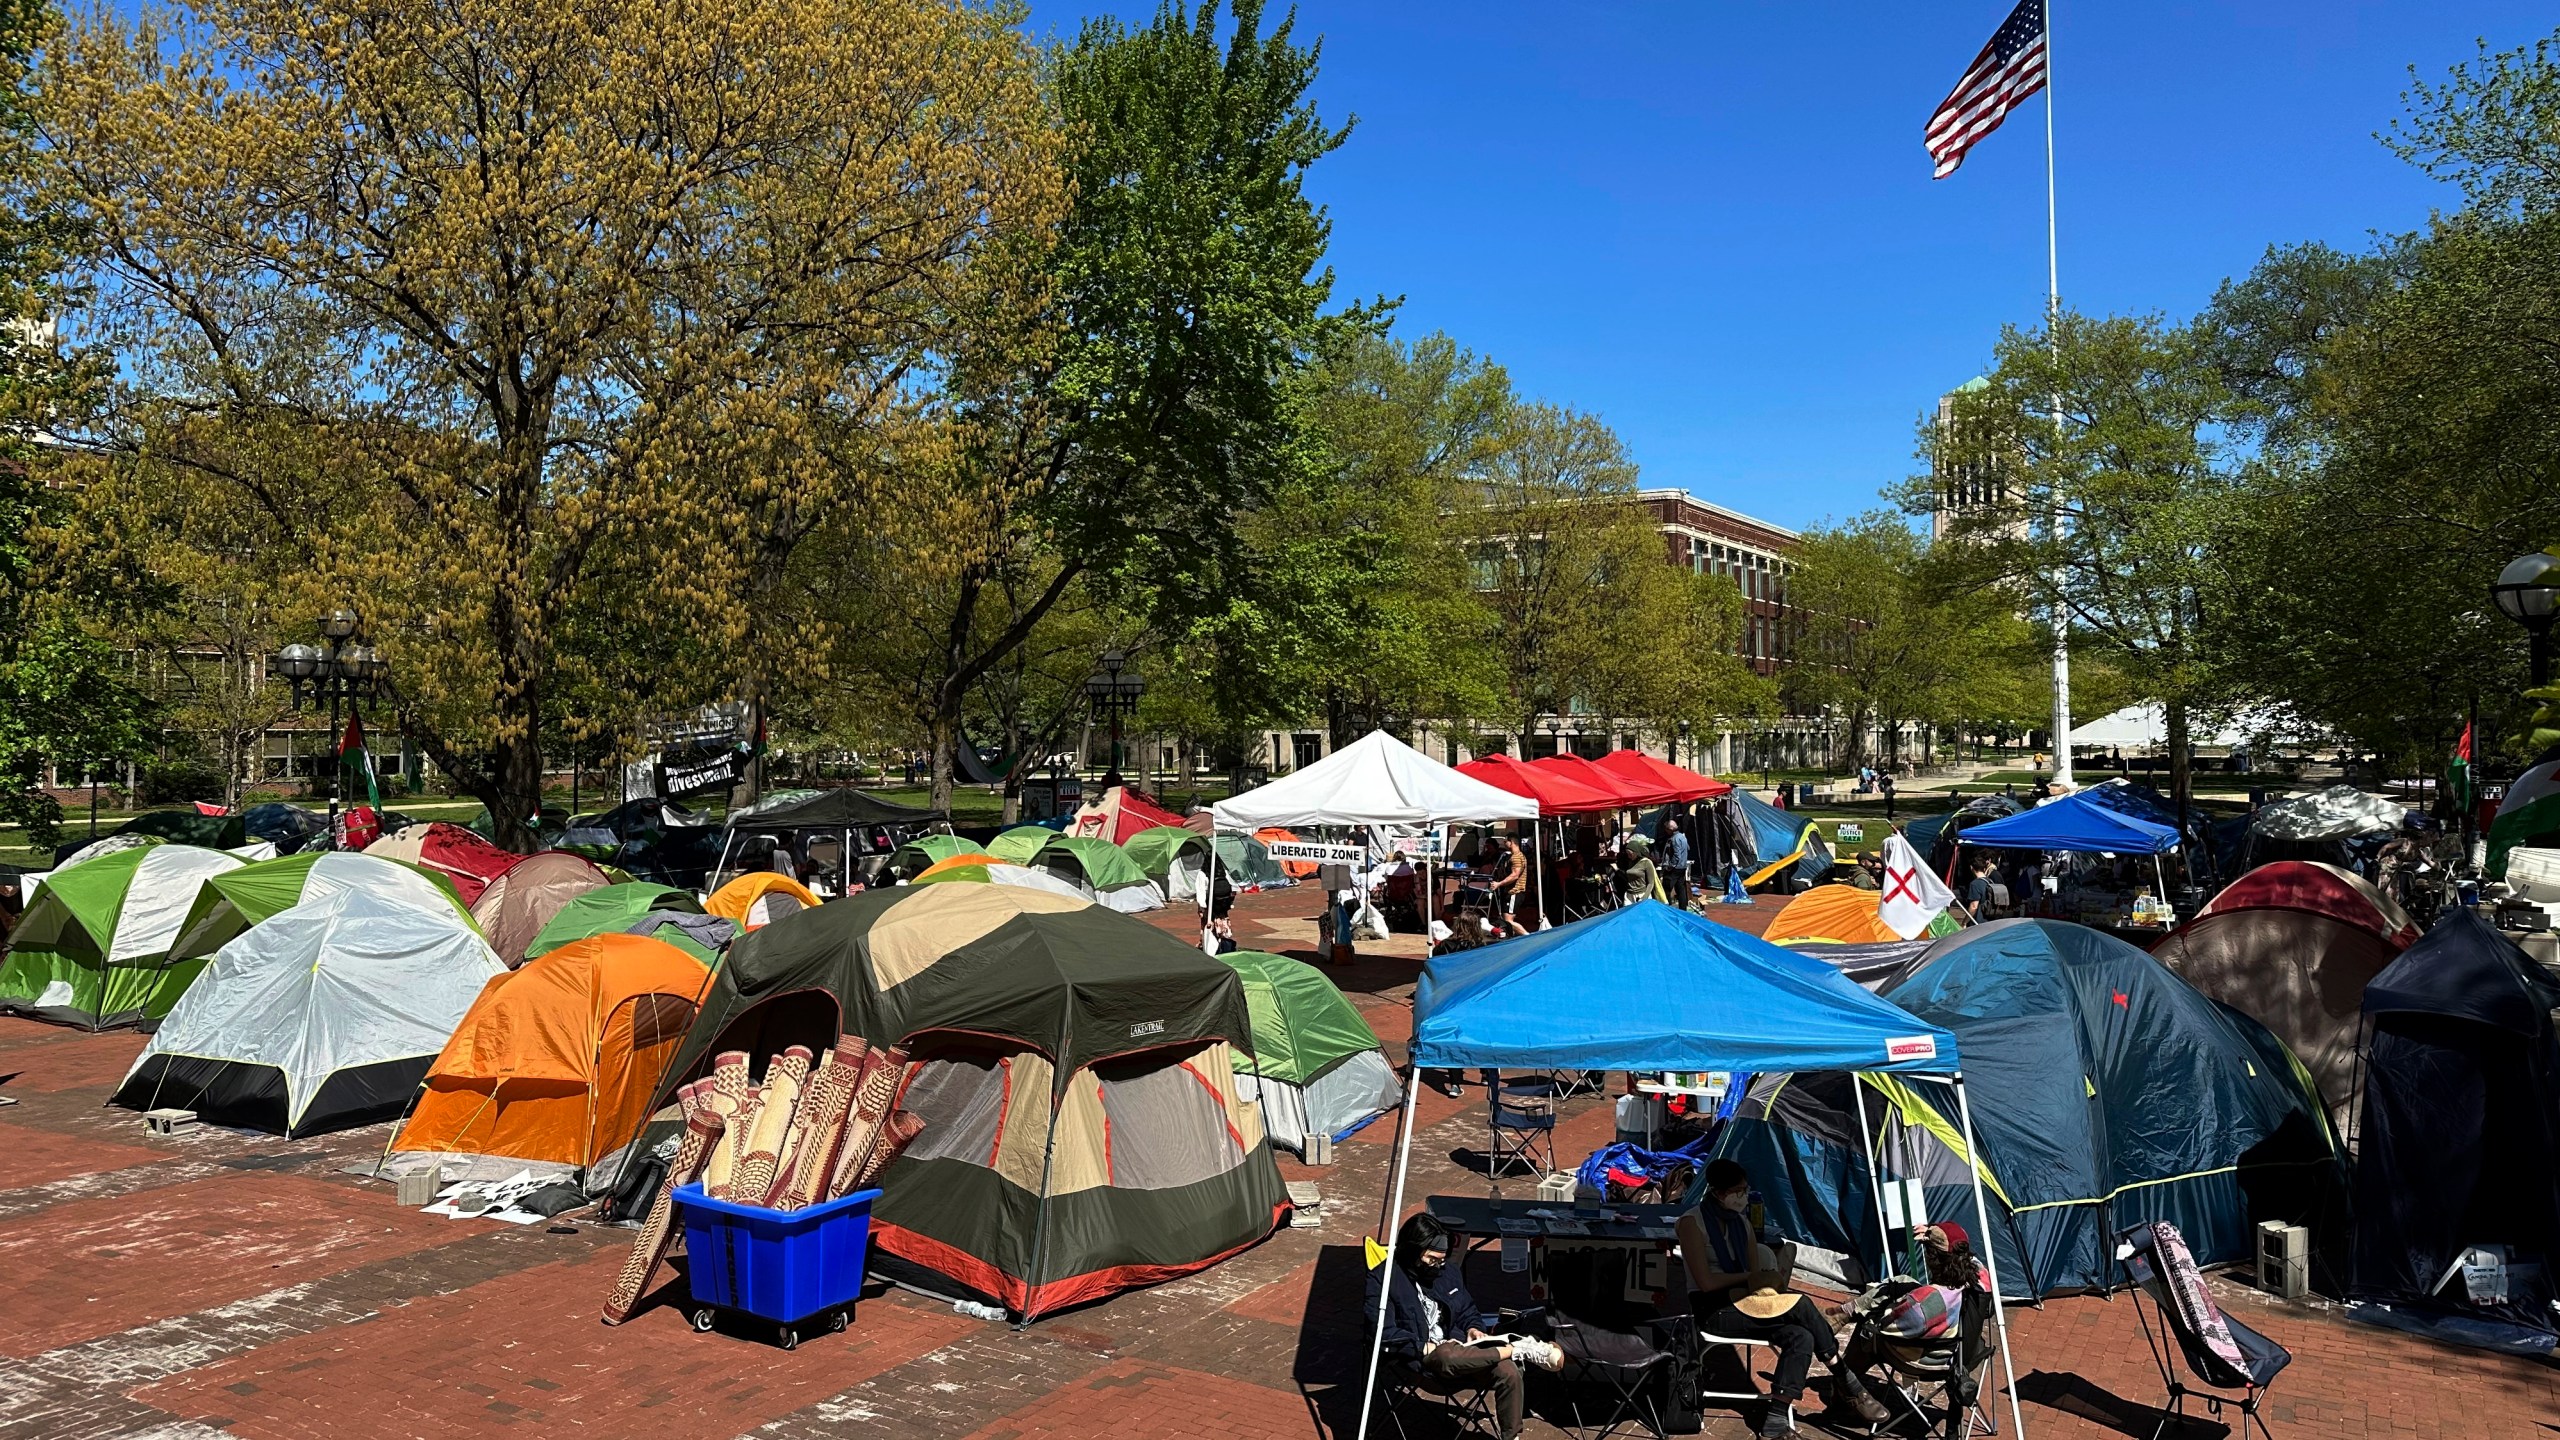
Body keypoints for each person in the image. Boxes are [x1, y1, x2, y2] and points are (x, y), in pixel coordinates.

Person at [1678, 1159, 1890, 1435]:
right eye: (1738, 1191)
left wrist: (1765, 1280)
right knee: (1801, 1304)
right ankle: (1845, 1378)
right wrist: (1751, 1278)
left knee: (1801, 1336)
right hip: (1714, 1309)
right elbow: (1706, 1283)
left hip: (1745, 1300)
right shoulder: (1692, 1223)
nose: (1743, 1196)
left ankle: (1775, 1421)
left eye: (1745, 1189)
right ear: (1719, 1193)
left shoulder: (1741, 1224)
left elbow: (1754, 1273)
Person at [1366, 1213, 1559, 1439]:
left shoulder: (1447, 1272)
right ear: (1413, 1252)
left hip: (1463, 1349)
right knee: (1446, 1353)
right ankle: (1519, 1349)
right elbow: (1382, 1332)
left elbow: (1467, 1310)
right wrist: (1422, 1347)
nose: (1438, 1266)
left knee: (1508, 1371)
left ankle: (1512, 1436)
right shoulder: (1384, 1278)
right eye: (1432, 1259)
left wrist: (1473, 1328)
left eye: (1442, 1259)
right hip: (1424, 1358)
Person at [1839, 1222, 1990, 1395]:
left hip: (1920, 1360)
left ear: (1931, 1258)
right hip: (1955, 1355)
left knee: (1867, 1323)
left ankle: (1845, 1387)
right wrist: (1933, 1231)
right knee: (1903, 1282)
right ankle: (1846, 1311)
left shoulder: (1926, 1302)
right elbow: (1972, 1261)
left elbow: (1886, 1328)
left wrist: (1884, 1310)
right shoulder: (1978, 1283)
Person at [1486, 830, 1530, 936]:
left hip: (1514, 892)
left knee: (1508, 921)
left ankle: (1527, 935)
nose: (1504, 844)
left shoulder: (1517, 857)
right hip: (1510, 892)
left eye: (1505, 841)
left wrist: (1499, 884)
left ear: (1511, 842)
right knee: (1505, 919)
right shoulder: (1512, 856)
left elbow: (1515, 875)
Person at [1614, 834, 1662, 906]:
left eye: (1630, 854)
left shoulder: (1646, 862)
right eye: (1627, 854)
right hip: (1629, 896)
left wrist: (1644, 898)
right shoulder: (1629, 862)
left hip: (1642, 895)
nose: (1629, 856)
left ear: (1636, 852)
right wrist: (1617, 869)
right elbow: (1627, 877)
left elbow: (1651, 883)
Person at [1660, 818, 1693, 909]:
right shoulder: (1682, 837)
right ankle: (1683, 908)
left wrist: (1670, 866)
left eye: (1666, 830)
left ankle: (1667, 908)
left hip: (1675, 868)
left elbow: (1676, 855)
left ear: (1670, 829)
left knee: (1666, 888)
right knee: (1680, 889)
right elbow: (1688, 848)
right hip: (1682, 867)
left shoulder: (1674, 839)